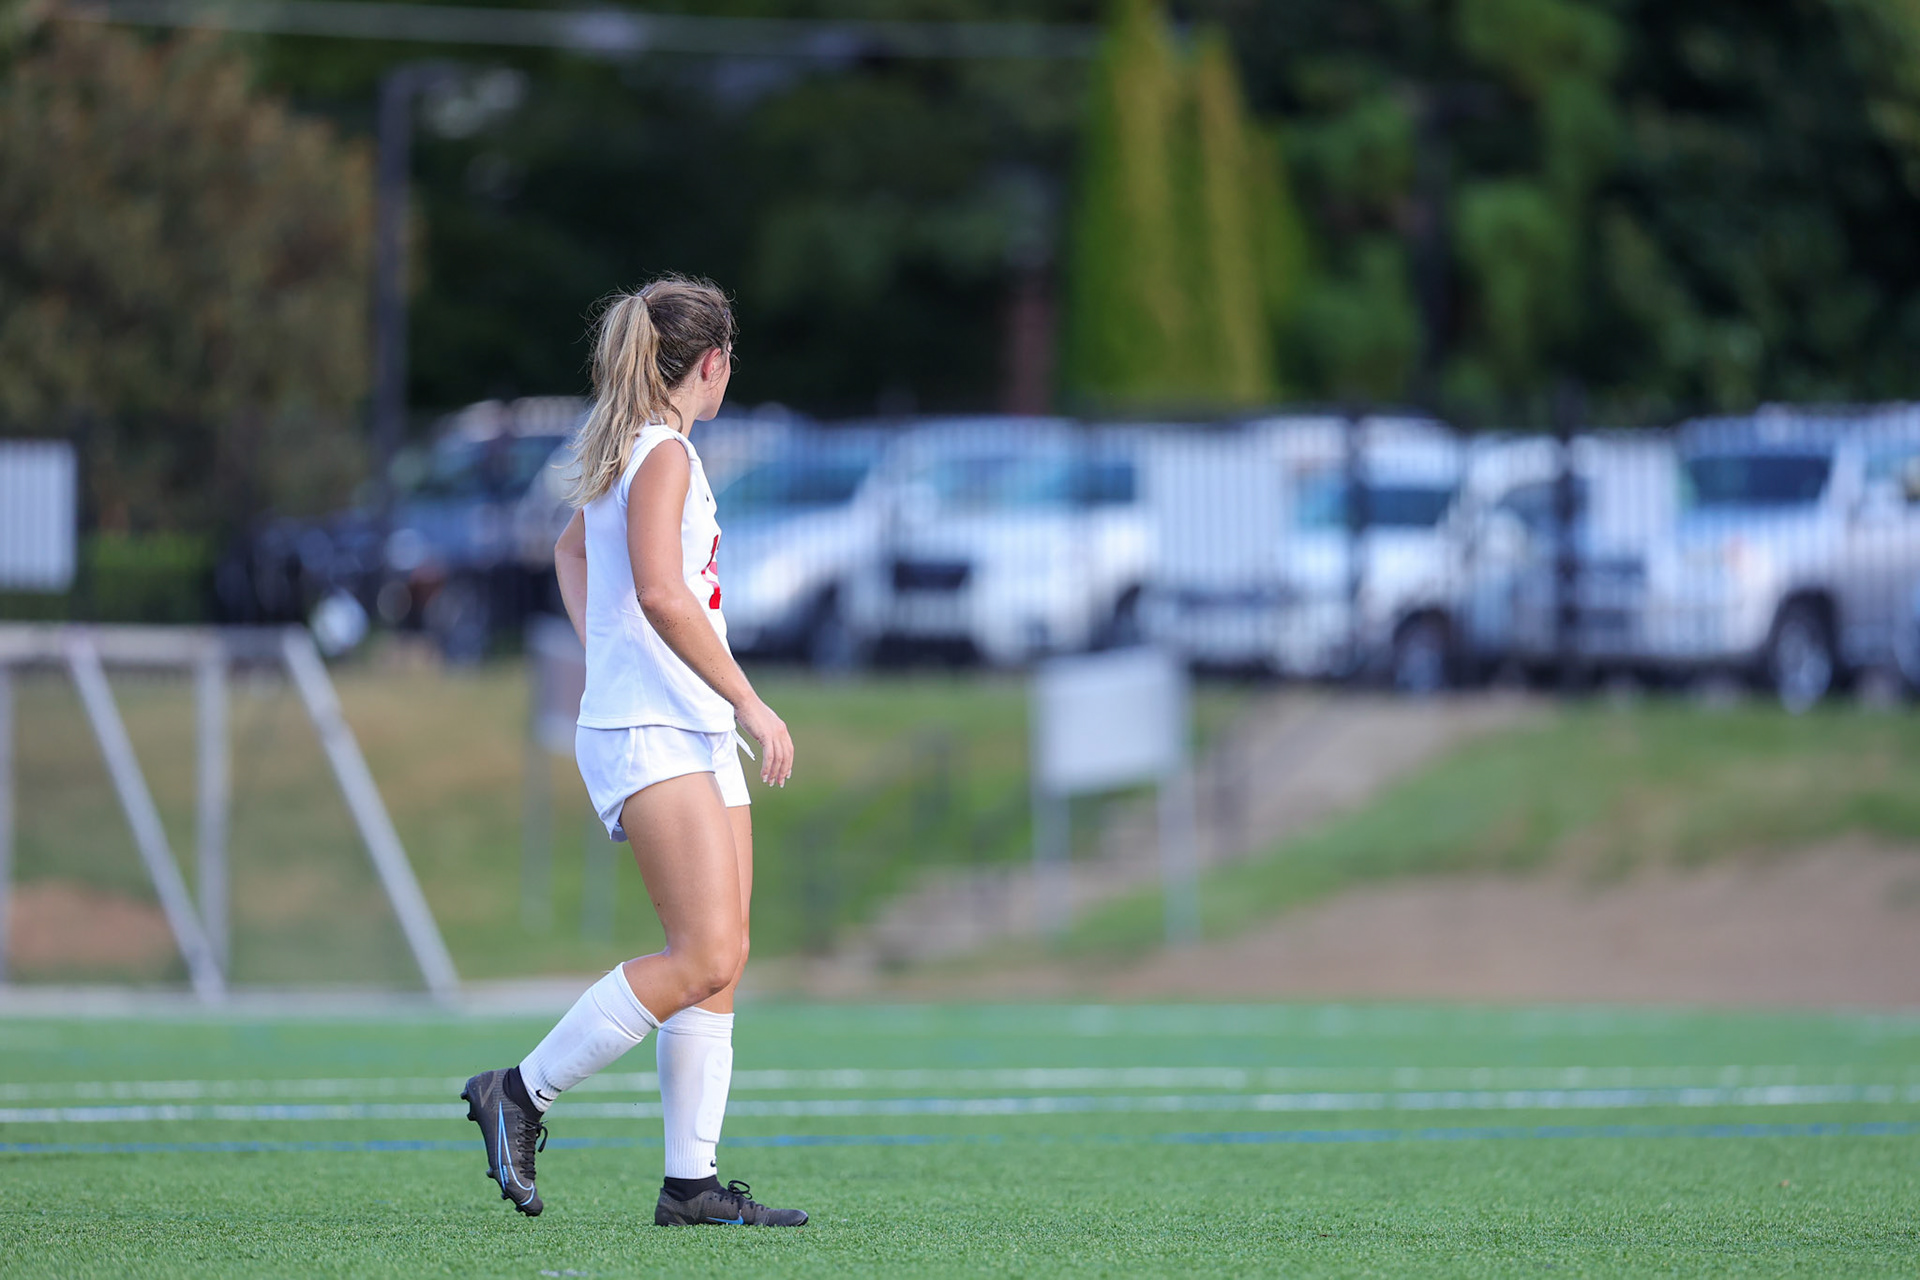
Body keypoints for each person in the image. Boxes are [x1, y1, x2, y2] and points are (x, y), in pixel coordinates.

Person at [462, 276, 806, 1227]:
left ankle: (690, 1185)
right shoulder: (664, 457)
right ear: (713, 364)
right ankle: (518, 1095)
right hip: (661, 727)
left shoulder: (635, 451)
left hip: (683, 722)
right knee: (702, 951)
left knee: (722, 960)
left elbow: (574, 555)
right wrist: (751, 701)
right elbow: (659, 592)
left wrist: (606, 653)